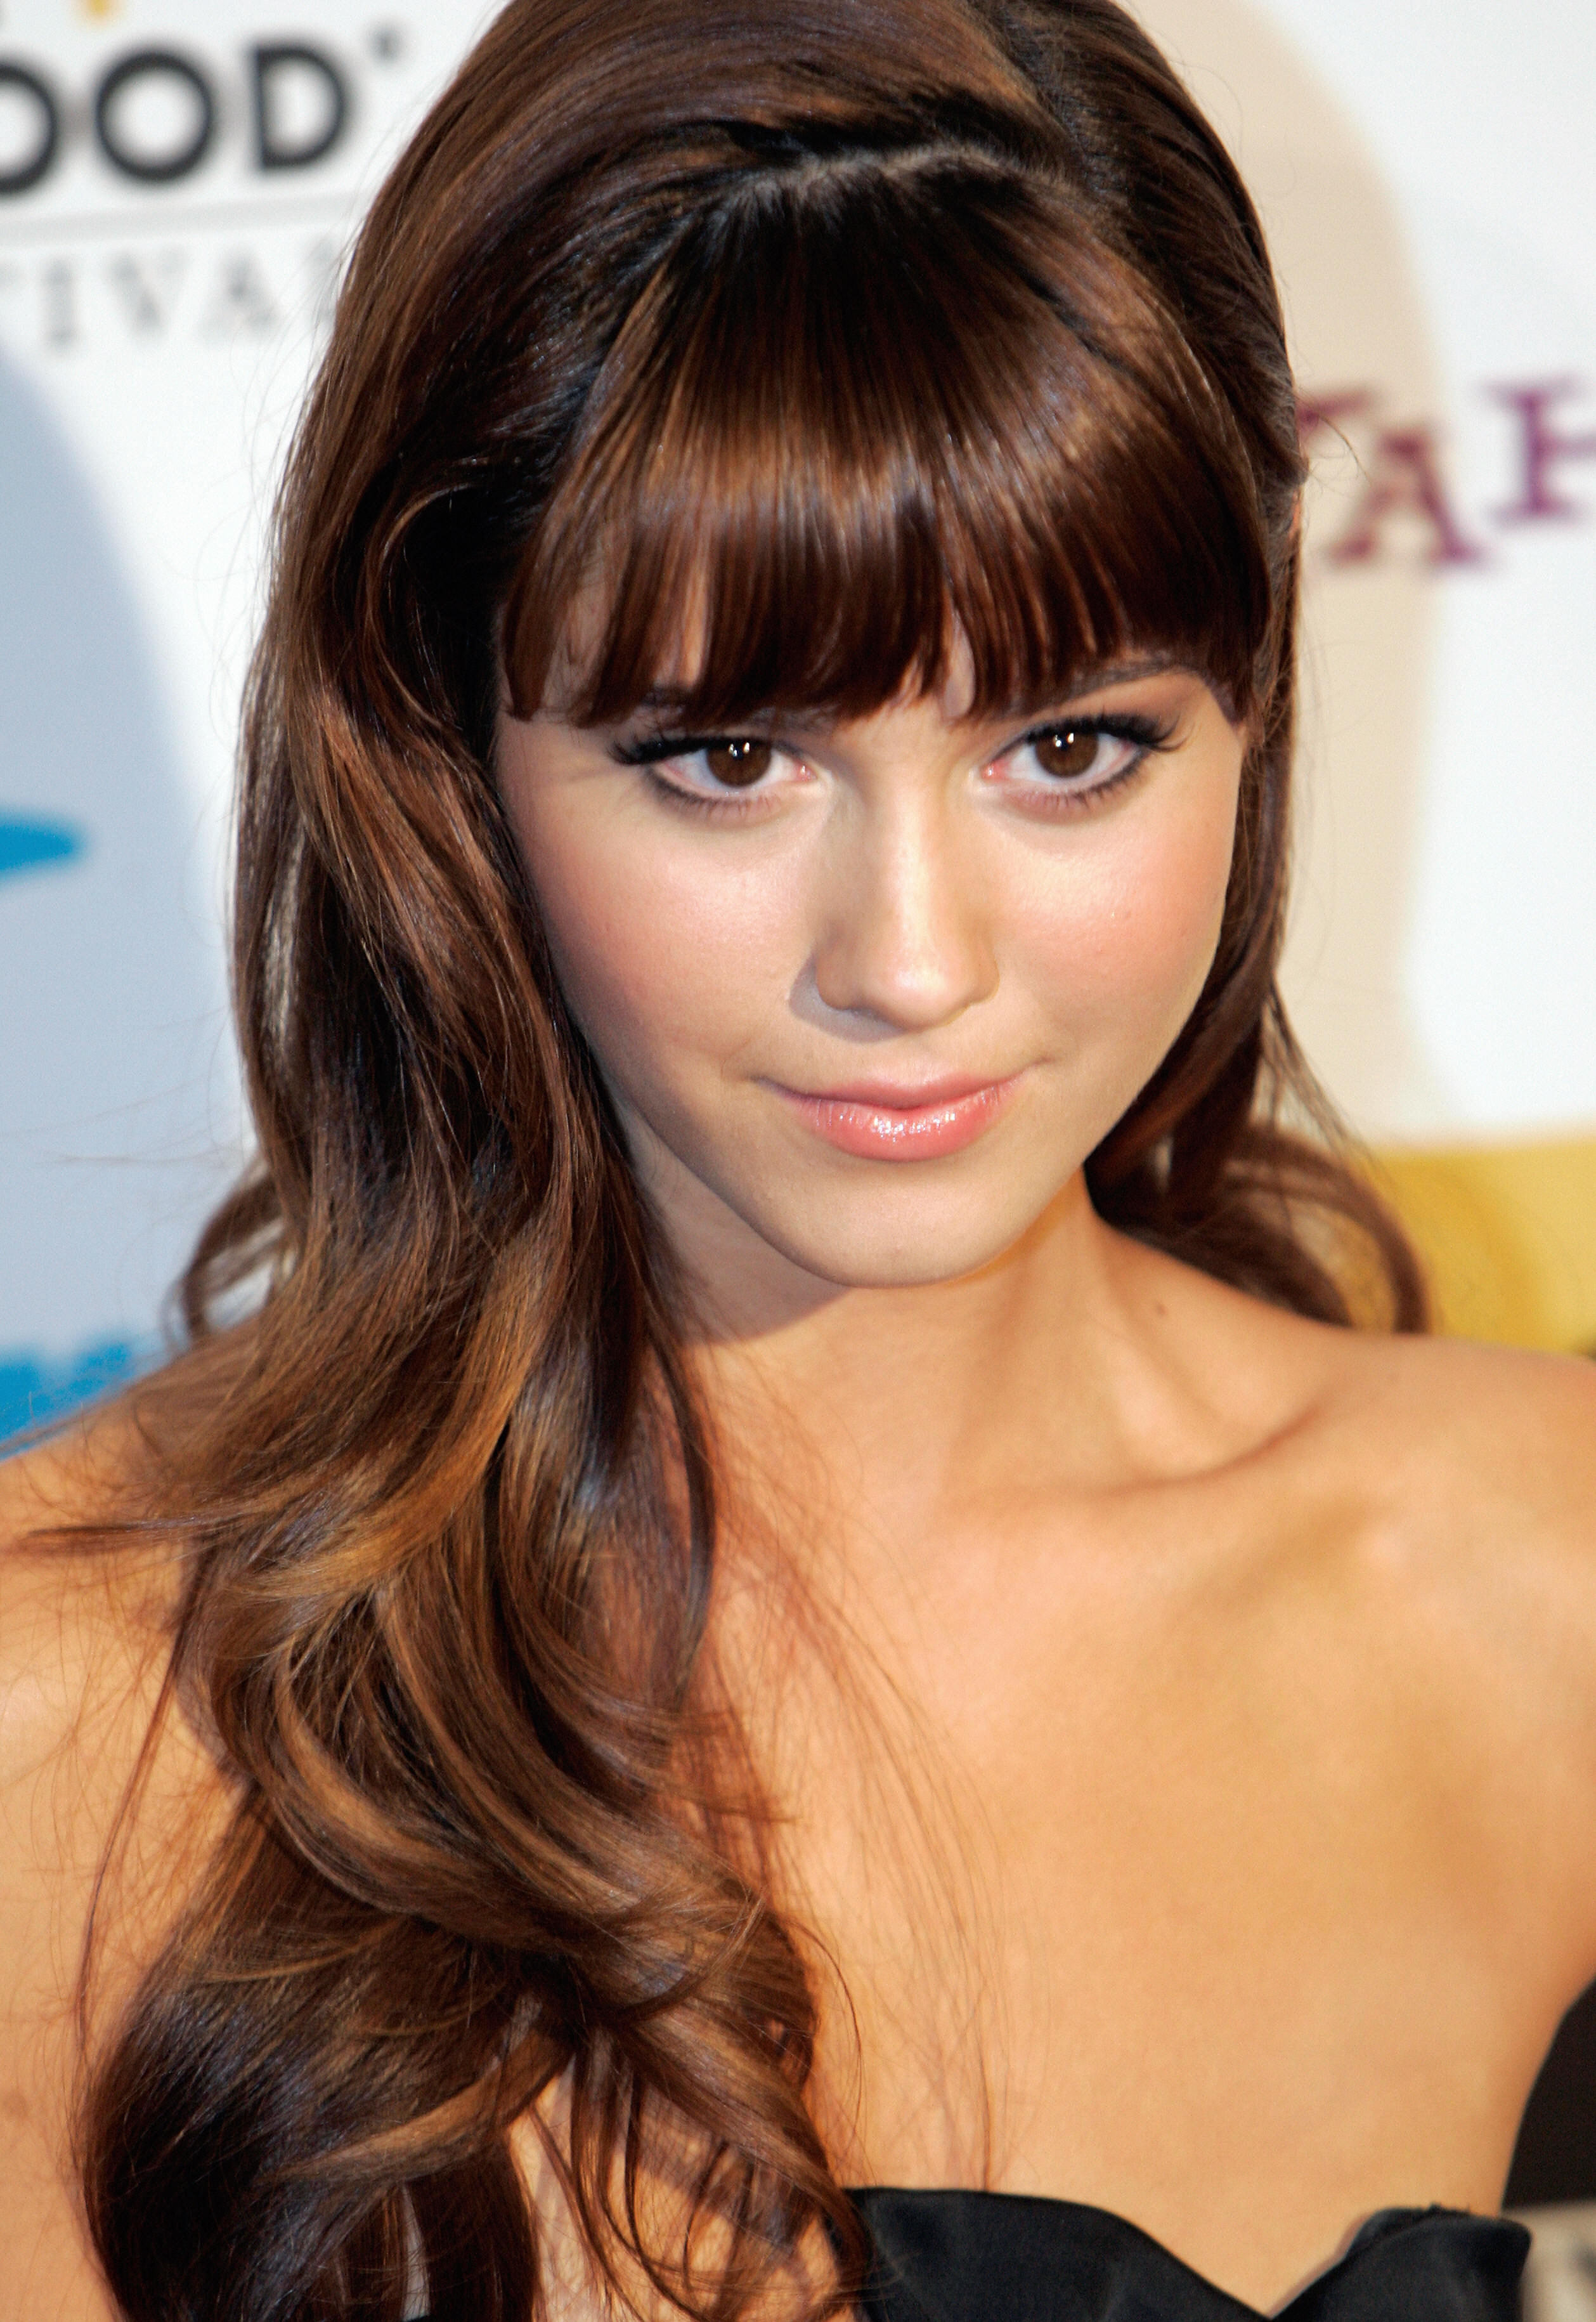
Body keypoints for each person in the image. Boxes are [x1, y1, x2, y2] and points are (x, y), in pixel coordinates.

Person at [3, 0, 1592, 2316]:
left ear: (1250, 710)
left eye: (1073, 746)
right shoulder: (64, 1720)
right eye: (729, 759)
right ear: (447, 741)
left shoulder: (1538, 1577)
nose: (913, 961)